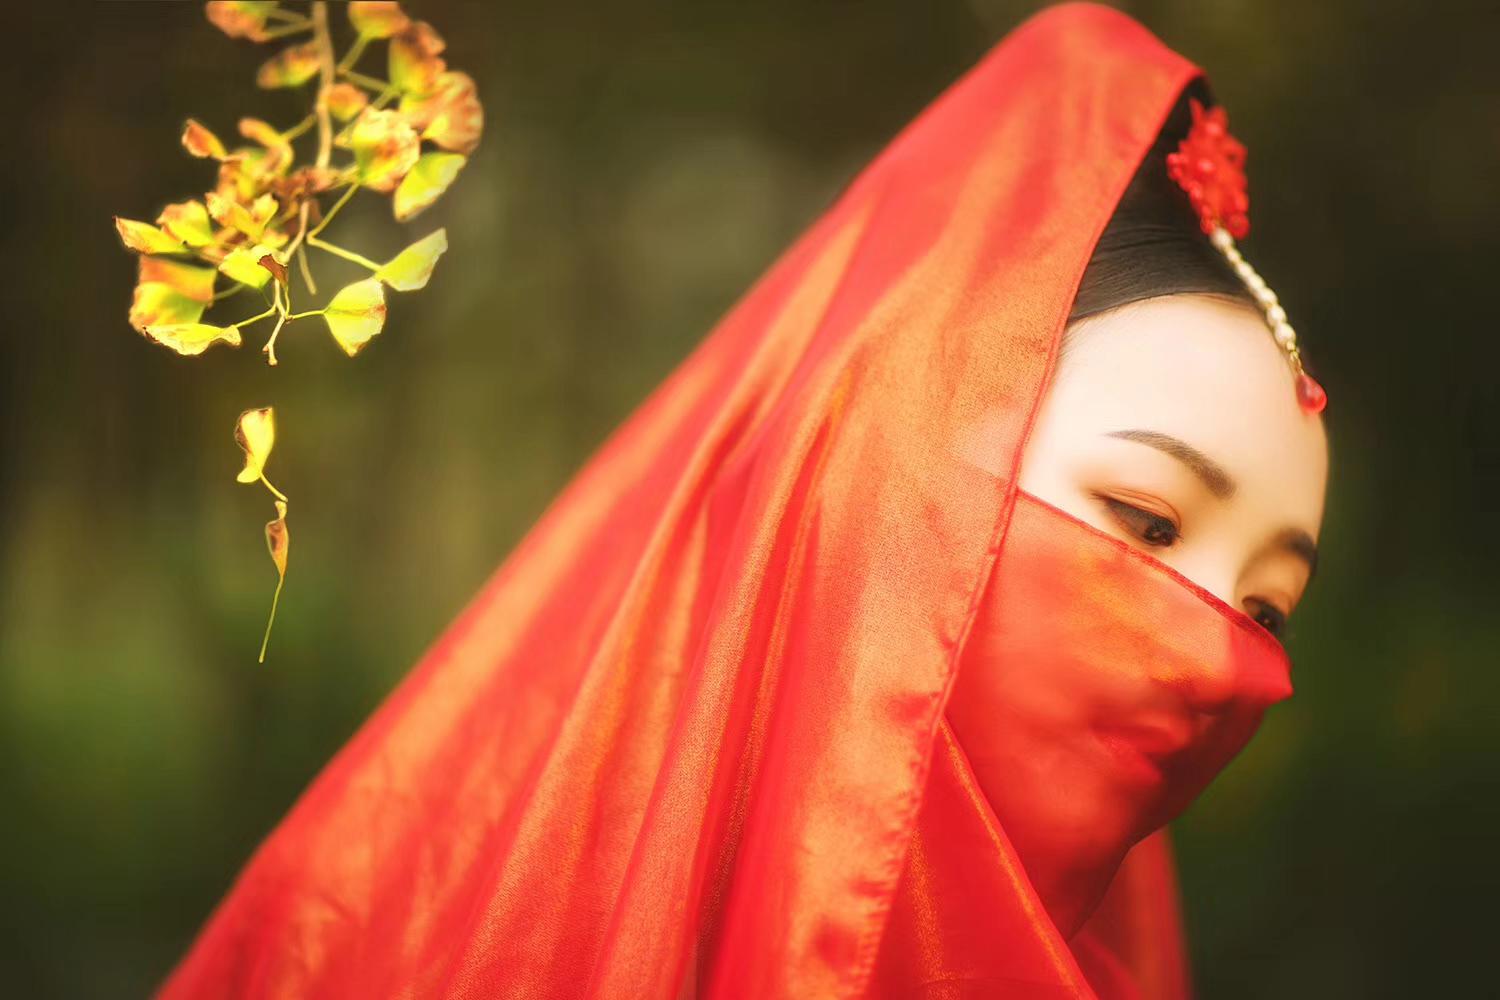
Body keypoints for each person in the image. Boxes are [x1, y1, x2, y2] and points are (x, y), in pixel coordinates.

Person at [157, 4, 1329, 997]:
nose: (1228, 665)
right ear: (888, 464)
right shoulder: (379, 941)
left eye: (1269, 611)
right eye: (1147, 521)